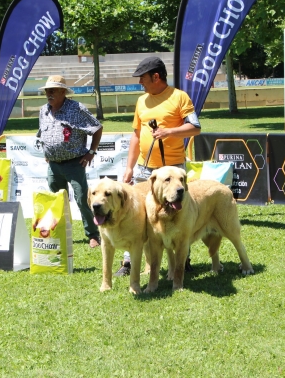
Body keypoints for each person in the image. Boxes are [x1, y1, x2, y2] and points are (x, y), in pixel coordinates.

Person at [115, 56, 201, 276]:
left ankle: (183, 259)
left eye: (142, 78)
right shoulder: (141, 101)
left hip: (173, 169)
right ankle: (129, 262)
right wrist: (129, 167)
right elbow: (136, 135)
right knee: (139, 215)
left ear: (156, 76)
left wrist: (169, 131)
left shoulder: (179, 97)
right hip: (145, 169)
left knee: (178, 214)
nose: (140, 83)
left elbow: (195, 127)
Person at [36, 75, 103, 248]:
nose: (49, 94)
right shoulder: (43, 110)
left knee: (82, 199)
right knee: (56, 201)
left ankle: (93, 234)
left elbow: (97, 128)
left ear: (63, 91)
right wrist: (47, 151)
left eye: (53, 90)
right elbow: (43, 132)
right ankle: (59, 231)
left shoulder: (77, 108)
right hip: (53, 165)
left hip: (75, 163)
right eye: (47, 91)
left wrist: (91, 152)